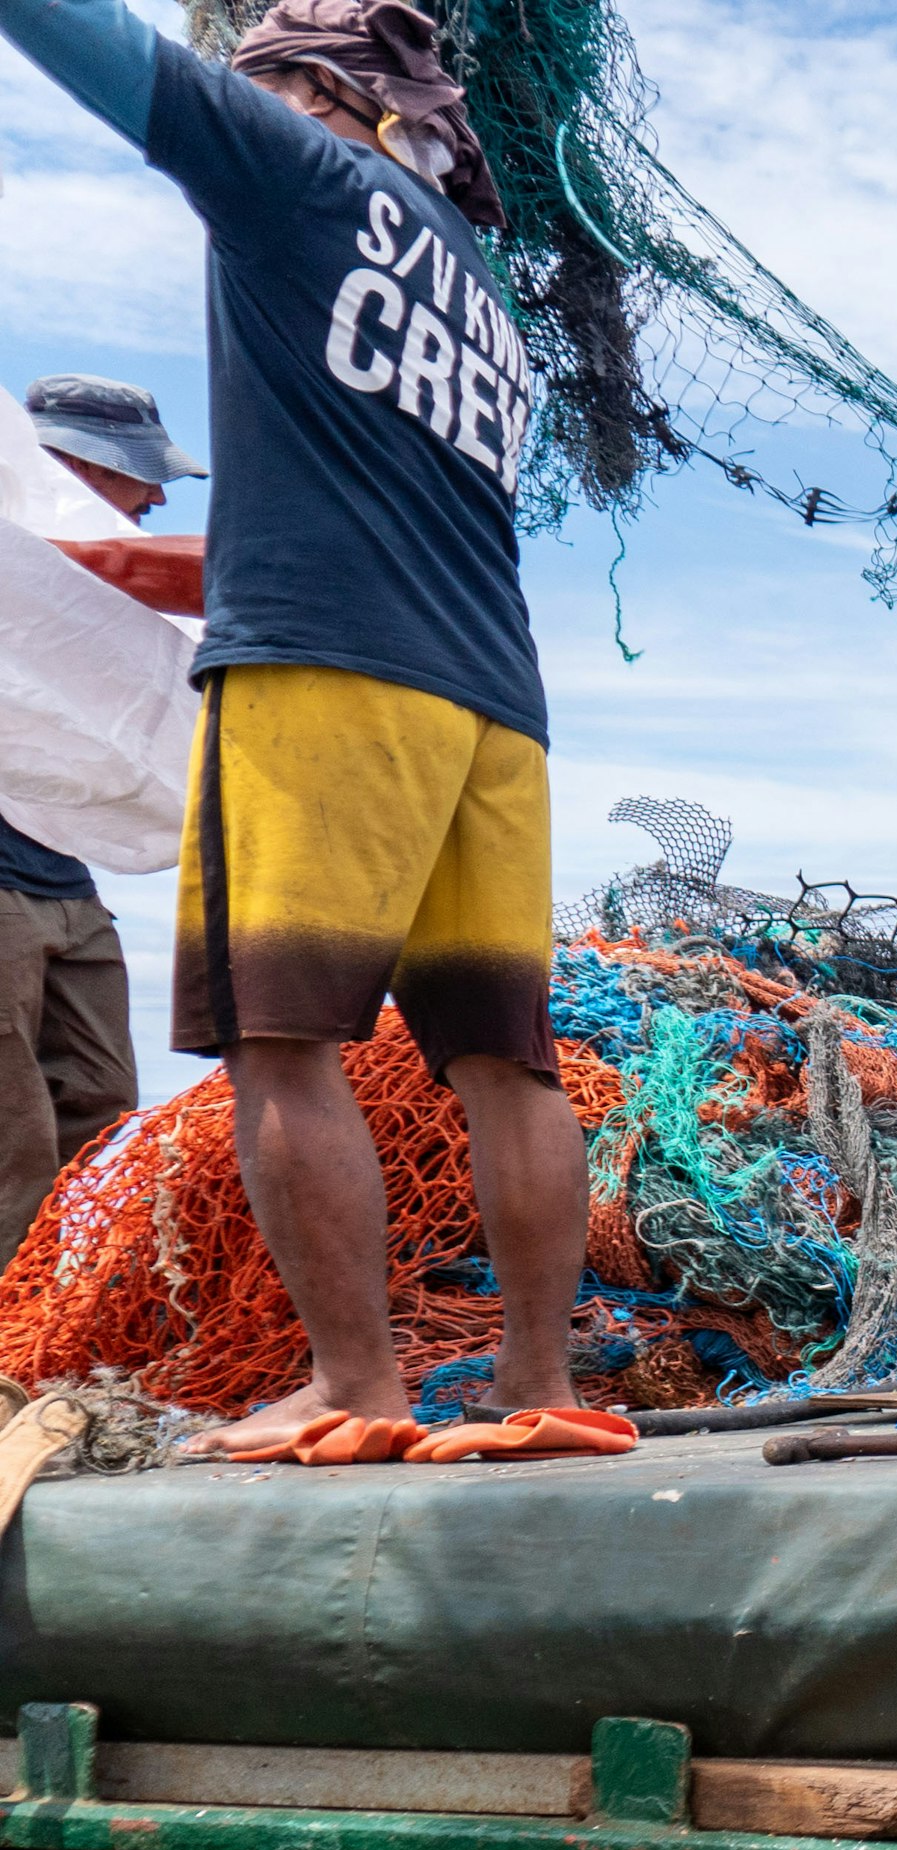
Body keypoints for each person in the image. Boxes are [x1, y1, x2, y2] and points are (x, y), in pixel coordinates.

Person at [0, 0, 587, 1454]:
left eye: (261, 83)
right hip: (494, 703)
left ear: (328, 93)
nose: (242, 102)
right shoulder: (487, 304)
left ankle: (357, 1387)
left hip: (328, 675)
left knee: (282, 1040)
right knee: (506, 1062)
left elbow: (111, 61)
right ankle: (542, 1389)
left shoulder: (306, 175)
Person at [0, 377, 199, 1264]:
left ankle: (56, 1327)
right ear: (73, 466)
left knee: (102, 1112)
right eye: (139, 476)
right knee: (12, 1144)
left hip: (67, 885)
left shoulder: (95, 592)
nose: (155, 498)